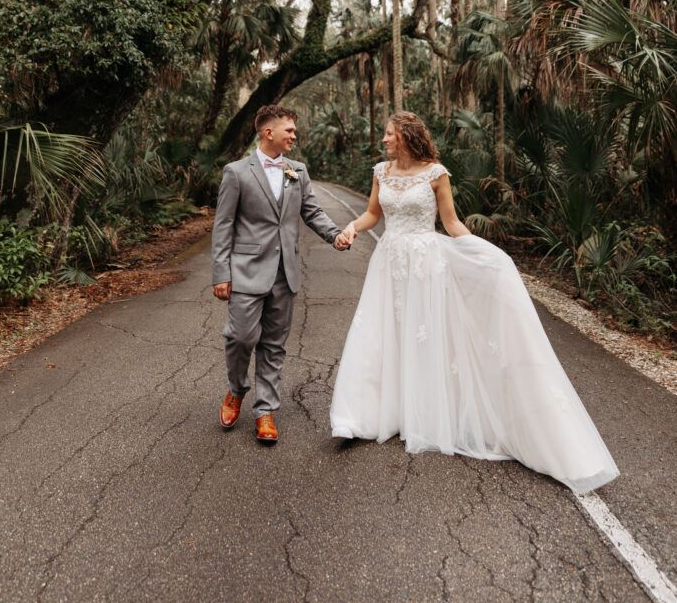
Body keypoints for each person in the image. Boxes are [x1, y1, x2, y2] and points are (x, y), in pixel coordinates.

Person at [330, 111, 619, 492]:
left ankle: (426, 411)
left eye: (389, 134)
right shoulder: (381, 171)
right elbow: (371, 214)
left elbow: (450, 223)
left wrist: (485, 254)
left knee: (424, 336)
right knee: (382, 334)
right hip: (388, 262)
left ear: (407, 137)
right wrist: (350, 227)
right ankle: (364, 415)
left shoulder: (436, 173)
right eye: (385, 134)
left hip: (426, 264)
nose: (383, 140)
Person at [212, 105, 351, 442]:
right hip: (246, 270)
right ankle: (236, 389)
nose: (294, 136)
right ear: (267, 132)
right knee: (240, 337)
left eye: (294, 130)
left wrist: (335, 235)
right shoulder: (236, 172)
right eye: (289, 130)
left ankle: (266, 411)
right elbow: (223, 225)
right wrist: (221, 272)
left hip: (285, 272)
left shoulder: (297, 171)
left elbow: (312, 211)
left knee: (274, 345)